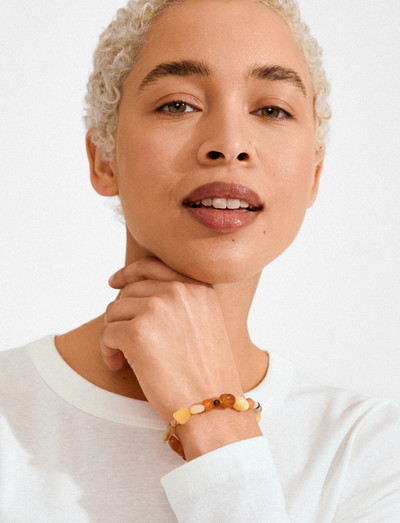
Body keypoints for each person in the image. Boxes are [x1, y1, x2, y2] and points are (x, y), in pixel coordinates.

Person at [0, 0, 399, 521]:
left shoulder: (366, 452)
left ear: (314, 175)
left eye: (271, 110)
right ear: (104, 158)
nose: (229, 145)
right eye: (178, 105)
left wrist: (215, 422)